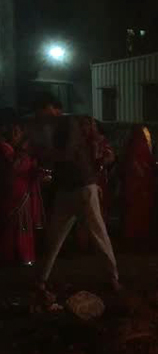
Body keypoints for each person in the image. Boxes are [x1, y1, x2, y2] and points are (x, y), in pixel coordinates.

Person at [36, 114, 121, 293]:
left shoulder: (68, 125)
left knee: (95, 233)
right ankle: (42, 280)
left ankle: (113, 277)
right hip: (72, 189)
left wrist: (45, 154)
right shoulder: (66, 130)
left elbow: (67, 154)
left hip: (80, 189)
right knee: (57, 237)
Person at [0, 123, 43, 266]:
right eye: (12, 131)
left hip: (22, 192)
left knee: (23, 226)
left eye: (17, 131)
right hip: (12, 194)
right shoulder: (5, 148)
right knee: (12, 226)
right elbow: (13, 169)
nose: (14, 134)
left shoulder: (17, 151)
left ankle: (24, 256)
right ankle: (12, 257)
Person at [75, 116, 115, 251]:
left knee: (98, 213)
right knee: (82, 213)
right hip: (82, 182)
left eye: (88, 125)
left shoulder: (100, 141)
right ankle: (83, 243)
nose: (85, 128)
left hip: (98, 181)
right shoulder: (76, 143)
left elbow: (110, 157)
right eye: (82, 125)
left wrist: (100, 160)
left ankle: (97, 245)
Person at [121, 126, 157, 240]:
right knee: (136, 209)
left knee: (141, 209)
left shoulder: (140, 145)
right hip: (137, 183)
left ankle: (138, 234)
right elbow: (134, 161)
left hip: (142, 182)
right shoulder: (137, 144)